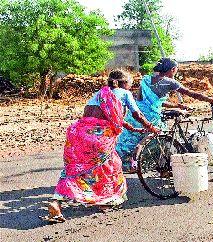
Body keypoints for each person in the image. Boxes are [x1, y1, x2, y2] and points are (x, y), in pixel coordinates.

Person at [42, 70, 158, 223]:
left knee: (75, 169)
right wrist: (151, 127)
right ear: (124, 83)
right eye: (131, 83)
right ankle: (106, 201)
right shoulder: (124, 93)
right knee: (113, 167)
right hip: (100, 137)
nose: (131, 87)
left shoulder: (99, 94)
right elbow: (137, 114)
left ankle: (56, 201)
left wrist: (132, 128)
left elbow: (107, 116)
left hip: (78, 134)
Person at [116, 57, 213, 171]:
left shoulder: (146, 79)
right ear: (172, 69)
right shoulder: (169, 82)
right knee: (162, 135)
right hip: (151, 117)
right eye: (175, 71)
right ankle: (142, 159)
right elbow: (193, 94)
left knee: (128, 142)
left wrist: (177, 106)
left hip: (135, 116)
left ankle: (122, 163)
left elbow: (151, 102)